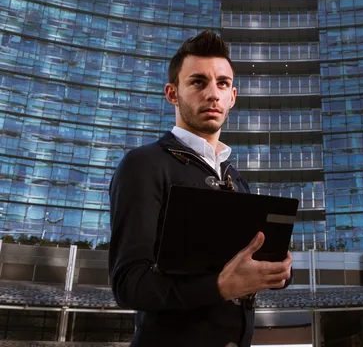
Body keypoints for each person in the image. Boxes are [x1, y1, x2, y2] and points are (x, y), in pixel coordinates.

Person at [108, 30, 293, 347]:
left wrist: (277, 271)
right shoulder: (144, 164)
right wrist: (220, 287)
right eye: (198, 82)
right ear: (172, 93)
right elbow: (128, 284)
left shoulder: (236, 179)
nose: (213, 93)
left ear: (232, 97)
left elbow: (239, 270)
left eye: (222, 83)